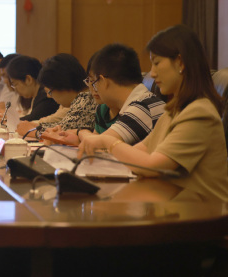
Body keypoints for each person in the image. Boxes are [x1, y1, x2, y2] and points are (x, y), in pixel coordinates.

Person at [78, 25, 228, 201]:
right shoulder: (174, 111)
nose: (152, 73)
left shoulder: (199, 113)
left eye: (156, 63)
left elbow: (152, 165)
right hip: (175, 206)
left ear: (180, 62)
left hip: (203, 213)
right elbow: (140, 151)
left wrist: (107, 141)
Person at [61, 44, 164, 147]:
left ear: (103, 81)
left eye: (94, 82)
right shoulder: (138, 102)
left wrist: (81, 132)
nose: (94, 89)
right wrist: (79, 140)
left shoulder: (142, 107)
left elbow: (99, 144)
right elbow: (97, 144)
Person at [34, 53, 97, 137]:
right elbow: (62, 124)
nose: (49, 96)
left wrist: (33, 131)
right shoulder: (80, 99)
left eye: (50, 92)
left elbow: (64, 130)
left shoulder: (86, 99)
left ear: (62, 84)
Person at [6, 55, 59, 135]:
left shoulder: (45, 95)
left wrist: (7, 120)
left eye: (15, 84)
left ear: (28, 79)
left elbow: (32, 118)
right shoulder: (36, 95)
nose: (15, 89)